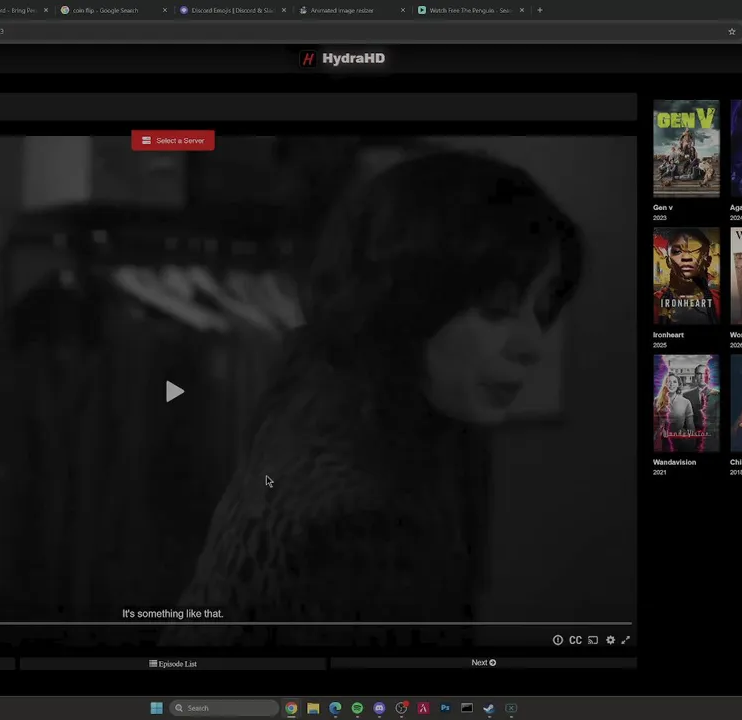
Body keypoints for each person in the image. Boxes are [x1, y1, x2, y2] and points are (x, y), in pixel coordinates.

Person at [164, 151, 581, 647]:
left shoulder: (338, 396)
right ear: (408, 300)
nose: (532, 345)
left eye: (542, 310)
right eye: (497, 309)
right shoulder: (359, 512)